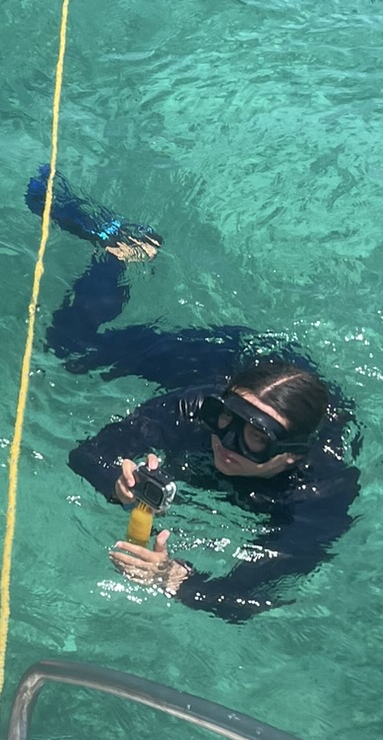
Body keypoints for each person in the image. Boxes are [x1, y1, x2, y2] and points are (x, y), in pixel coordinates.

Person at [28, 168, 360, 621]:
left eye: (256, 439)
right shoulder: (198, 407)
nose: (226, 441)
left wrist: (176, 579)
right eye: (226, 419)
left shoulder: (320, 492)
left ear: (291, 456)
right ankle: (119, 249)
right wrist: (117, 484)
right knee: (71, 350)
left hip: (286, 396)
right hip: (221, 362)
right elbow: (89, 453)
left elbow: (251, 598)